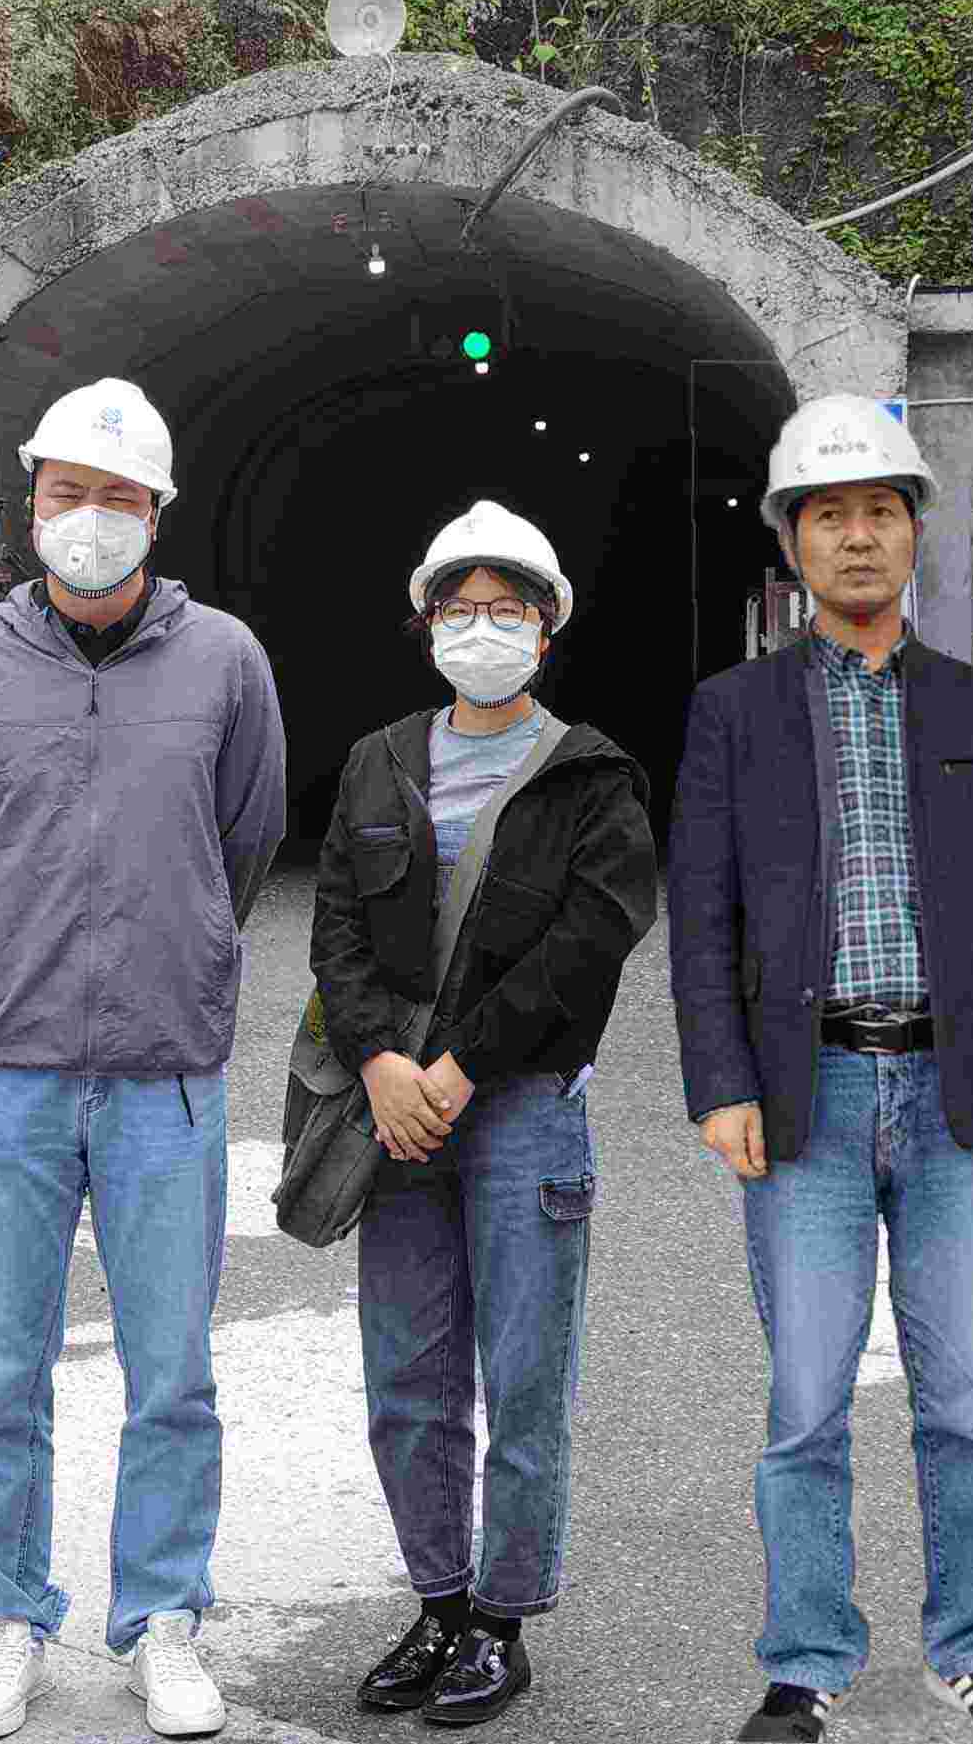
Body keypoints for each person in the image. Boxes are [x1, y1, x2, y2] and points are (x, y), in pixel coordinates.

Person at [666, 394, 973, 1744]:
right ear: (791, 540)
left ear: (912, 533)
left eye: (879, 511)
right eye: (828, 514)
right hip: (809, 1102)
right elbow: (701, 913)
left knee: (963, 1400)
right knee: (804, 1406)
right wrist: (721, 1081)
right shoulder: (732, 714)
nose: (856, 536)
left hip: (954, 1100)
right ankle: (804, 1662)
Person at [0, 378, 287, 1741]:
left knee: (170, 1367)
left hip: (163, 1069)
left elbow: (245, 842)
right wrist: (5, 952)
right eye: (66, 491)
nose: (88, 517)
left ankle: (161, 1617)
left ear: (155, 514)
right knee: (0, 1365)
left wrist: (176, 948)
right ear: (31, 505)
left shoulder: (225, 662)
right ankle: (9, 1615)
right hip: (8, 1066)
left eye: (116, 496)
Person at [304, 502, 658, 1727]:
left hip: (518, 1110)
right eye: (459, 609)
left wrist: (456, 1068)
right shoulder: (377, 761)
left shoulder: (591, 775)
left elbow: (589, 942)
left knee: (521, 1378)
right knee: (407, 1378)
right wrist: (377, 1062)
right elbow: (337, 927)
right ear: (426, 626)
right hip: (396, 1110)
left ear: (546, 629)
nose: (481, 629)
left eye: (507, 609)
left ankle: (501, 1622)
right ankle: (437, 1603)